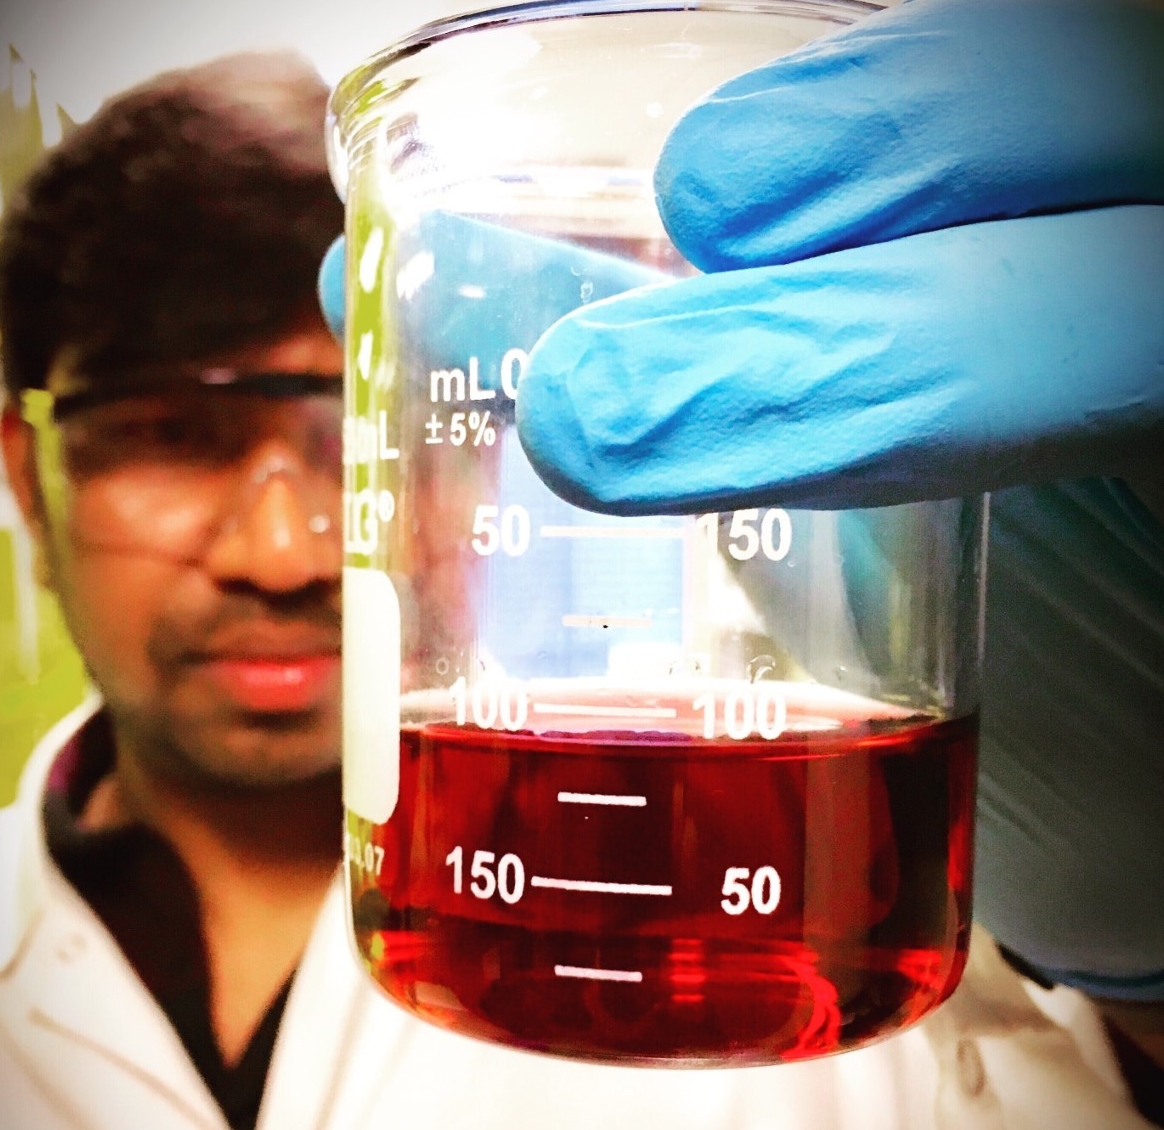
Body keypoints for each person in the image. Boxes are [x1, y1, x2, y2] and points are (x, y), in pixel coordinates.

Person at [0, 36, 1153, 1130]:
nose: (286, 551)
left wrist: (1146, 970)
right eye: (170, 434)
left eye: (353, 428)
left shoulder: (827, 901)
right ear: (27, 475)